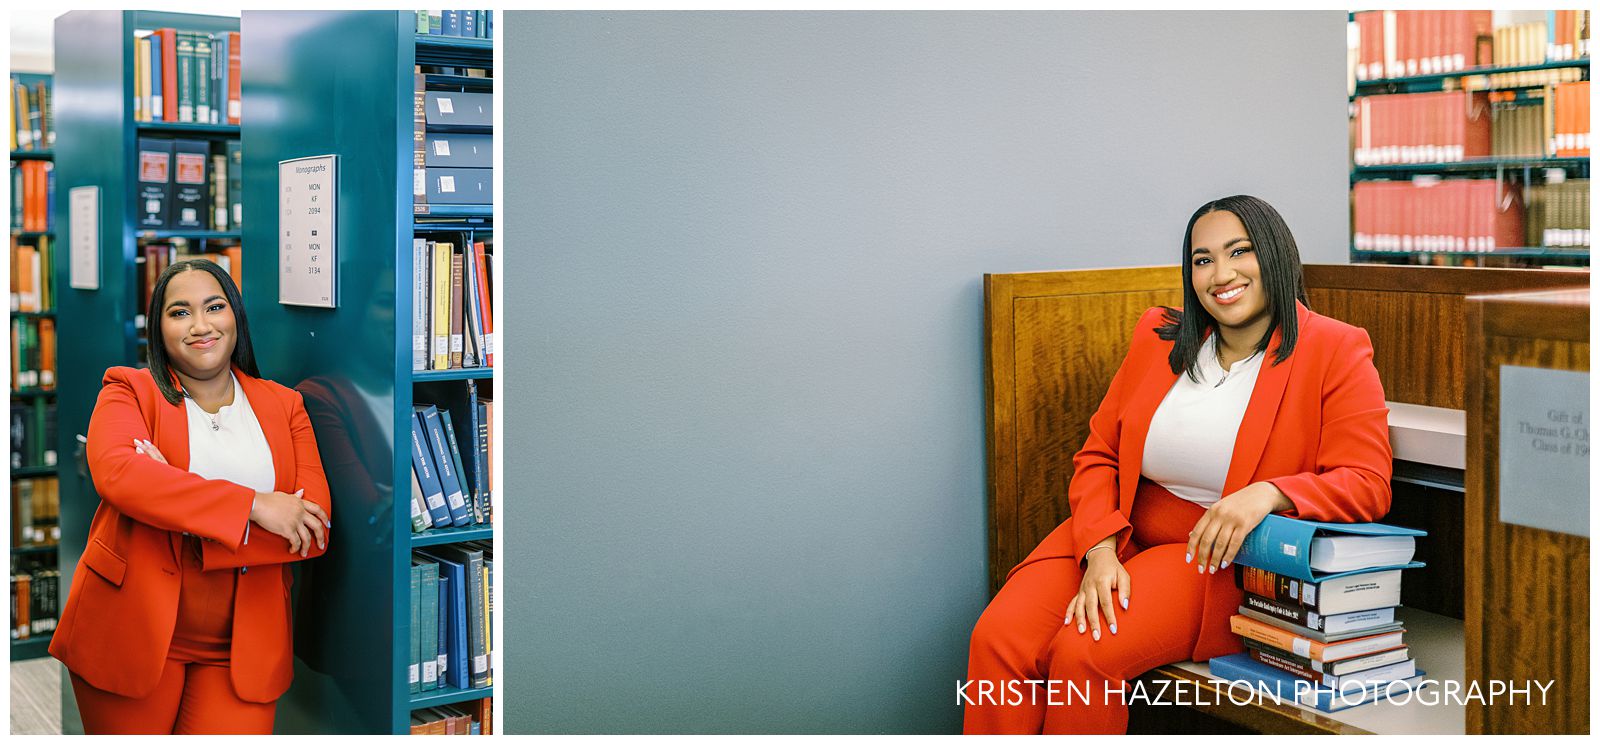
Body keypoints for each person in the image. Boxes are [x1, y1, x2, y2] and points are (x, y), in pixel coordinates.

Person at [964, 195, 1393, 734]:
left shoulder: (1334, 348)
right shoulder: (1157, 335)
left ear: (1276, 255)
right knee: (998, 638)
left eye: (1240, 251)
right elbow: (1099, 454)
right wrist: (1099, 549)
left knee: (1083, 651)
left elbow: (1368, 483)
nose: (1222, 274)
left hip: (1211, 554)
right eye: (1203, 259)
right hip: (1116, 530)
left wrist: (1269, 493)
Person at [49, 259, 333, 735]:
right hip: (130, 628)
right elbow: (121, 477)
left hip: (242, 645)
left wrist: (172, 497)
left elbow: (312, 527)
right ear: (158, 329)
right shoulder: (130, 391)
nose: (201, 325)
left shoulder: (285, 405)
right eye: (180, 312)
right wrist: (257, 506)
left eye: (214, 307)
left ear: (236, 316)